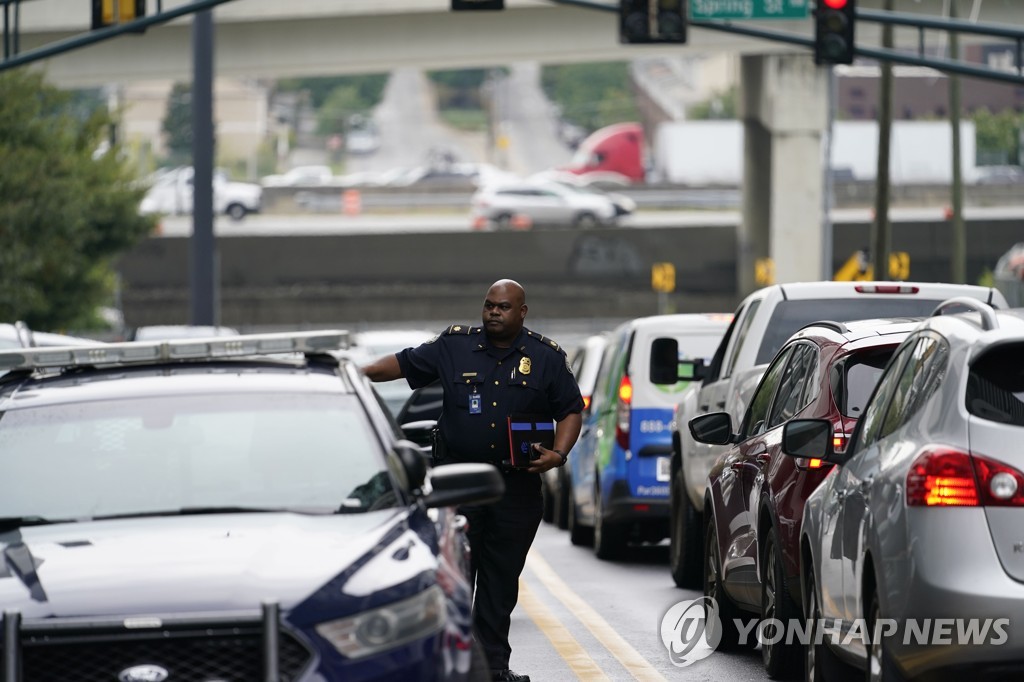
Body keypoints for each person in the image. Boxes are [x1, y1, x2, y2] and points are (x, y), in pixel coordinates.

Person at [362, 279, 583, 682]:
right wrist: (351, 374)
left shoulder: (545, 356)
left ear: (522, 311)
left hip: (515, 489)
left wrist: (559, 454)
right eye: (488, 306)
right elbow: (397, 365)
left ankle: (493, 669)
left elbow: (570, 409)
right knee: (455, 579)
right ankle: (451, 667)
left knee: (499, 585)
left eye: (503, 307)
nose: (494, 313)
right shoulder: (454, 345)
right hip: (459, 485)